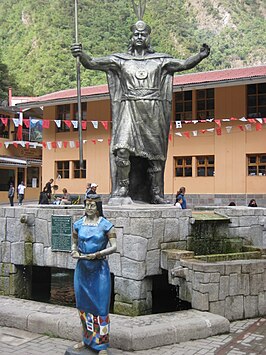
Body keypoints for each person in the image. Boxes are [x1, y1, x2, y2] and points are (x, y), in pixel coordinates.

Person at [71, 8, 210, 204]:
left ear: (147, 37)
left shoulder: (160, 60)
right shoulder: (120, 60)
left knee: (155, 155)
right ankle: (122, 189)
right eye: (135, 34)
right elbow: (93, 63)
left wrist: (200, 55)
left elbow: (184, 64)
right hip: (128, 108)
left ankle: (156, 193)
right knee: (122, 149)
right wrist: (81, 54)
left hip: (152, 110)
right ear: (131, 37)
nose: (139, 36)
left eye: (142, 34)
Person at [71, 196, 117, 354]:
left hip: (99, 269)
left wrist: (98, 254)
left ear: (98, 207)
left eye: (92, 205)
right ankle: (87, 339)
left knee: (100, 307)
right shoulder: (78, 224)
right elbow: (74, 242)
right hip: (82, 267)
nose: (89, 208)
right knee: (83, 306)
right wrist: (74, 251)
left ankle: (101, 344)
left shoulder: (106, 225)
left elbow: (114, 246)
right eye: (87, 205)